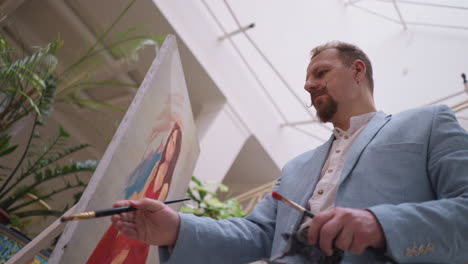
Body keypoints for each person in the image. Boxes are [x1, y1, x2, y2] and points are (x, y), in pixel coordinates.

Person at [111, 41, 468, 263]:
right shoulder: (296, 168)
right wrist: (176, 228)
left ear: (358, 70)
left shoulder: (428, 123)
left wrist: (381, 225)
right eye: (307, 79)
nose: (308, 85)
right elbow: (257, 236)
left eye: (321, 72)